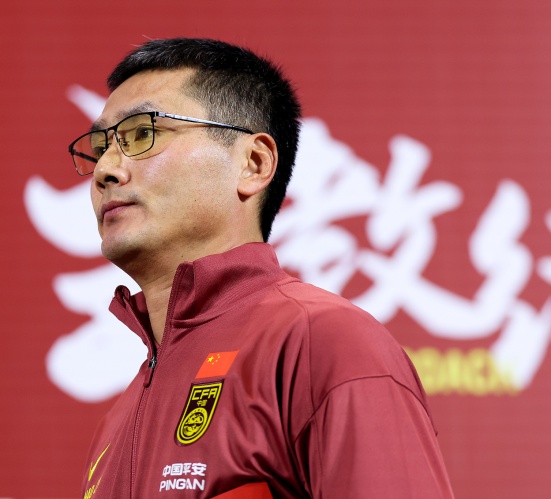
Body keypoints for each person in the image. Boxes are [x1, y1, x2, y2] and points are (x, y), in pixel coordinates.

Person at [68, 38, 454, 498]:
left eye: (141, 134)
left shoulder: (323, 342)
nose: (105, 170)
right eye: (100, 147)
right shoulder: (118, 419)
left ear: (253, 163)